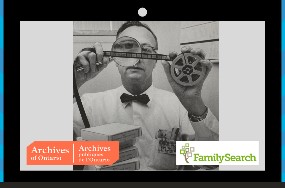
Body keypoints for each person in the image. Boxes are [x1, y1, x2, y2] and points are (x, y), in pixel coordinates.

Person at [73, 21, 219, 170]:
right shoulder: (87, 105)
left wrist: (194, 104)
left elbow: (212, 162)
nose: (136, 58)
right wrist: (72, 83)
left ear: (155, 60)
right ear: (115, 60)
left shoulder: (181, 107)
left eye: (146, 49)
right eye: (127, 49)